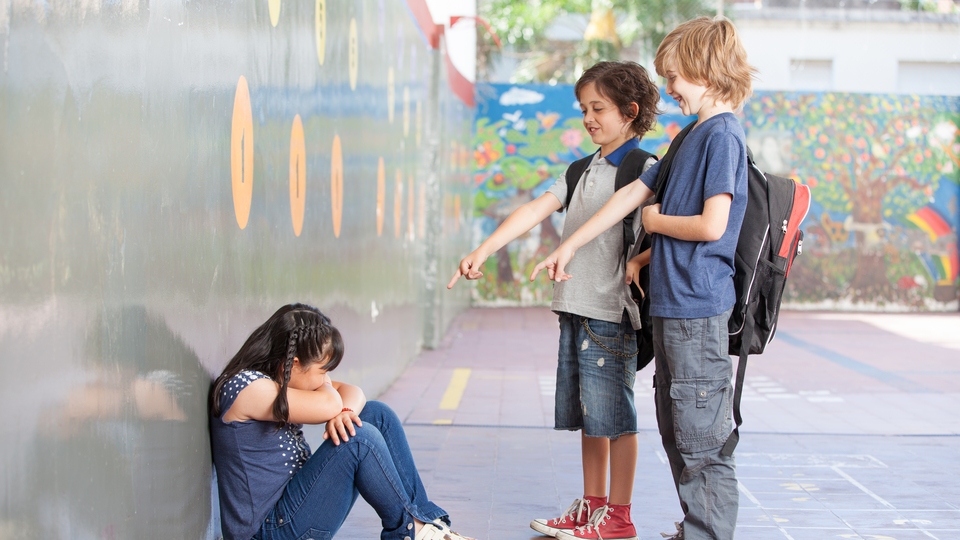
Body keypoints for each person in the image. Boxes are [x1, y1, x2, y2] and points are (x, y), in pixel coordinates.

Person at [531, 16, 757, 540]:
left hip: (698, 308)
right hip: (674, 308)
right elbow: (631, 195)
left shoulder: (722, 135)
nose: (670, 87)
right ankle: (695, 527)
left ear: (706, 69)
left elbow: (712, 225)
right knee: (679, 431)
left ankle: (708, 533)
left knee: (701, 439)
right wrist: (573, 244)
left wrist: (653, 224)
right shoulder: (692, 134)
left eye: (674, 76)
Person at [449, 61, 662, 540]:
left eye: (598, 108)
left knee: (616, 417)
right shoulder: (581, 169)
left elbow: (663, 230)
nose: (588, 118)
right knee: (591, 416)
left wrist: (638, 260)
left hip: (610, 311)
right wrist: (485, 248)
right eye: (583, 109)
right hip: (575, 308)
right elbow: (534, 208)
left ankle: (619, 517)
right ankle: (593, 507)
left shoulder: (642, 169)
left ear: (630, 112)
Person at [209, 303, 476, 540]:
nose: (325, 378)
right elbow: (330, 402)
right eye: (323, 371)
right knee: (360, 440)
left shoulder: (277, 380)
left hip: (290, 512)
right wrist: (330, 393)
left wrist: (344, 412)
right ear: (292, 364)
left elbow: (353, 393)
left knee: (376, 415)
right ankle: (410, 533)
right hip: (268, 531)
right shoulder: (250, 390)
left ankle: (427, 525)